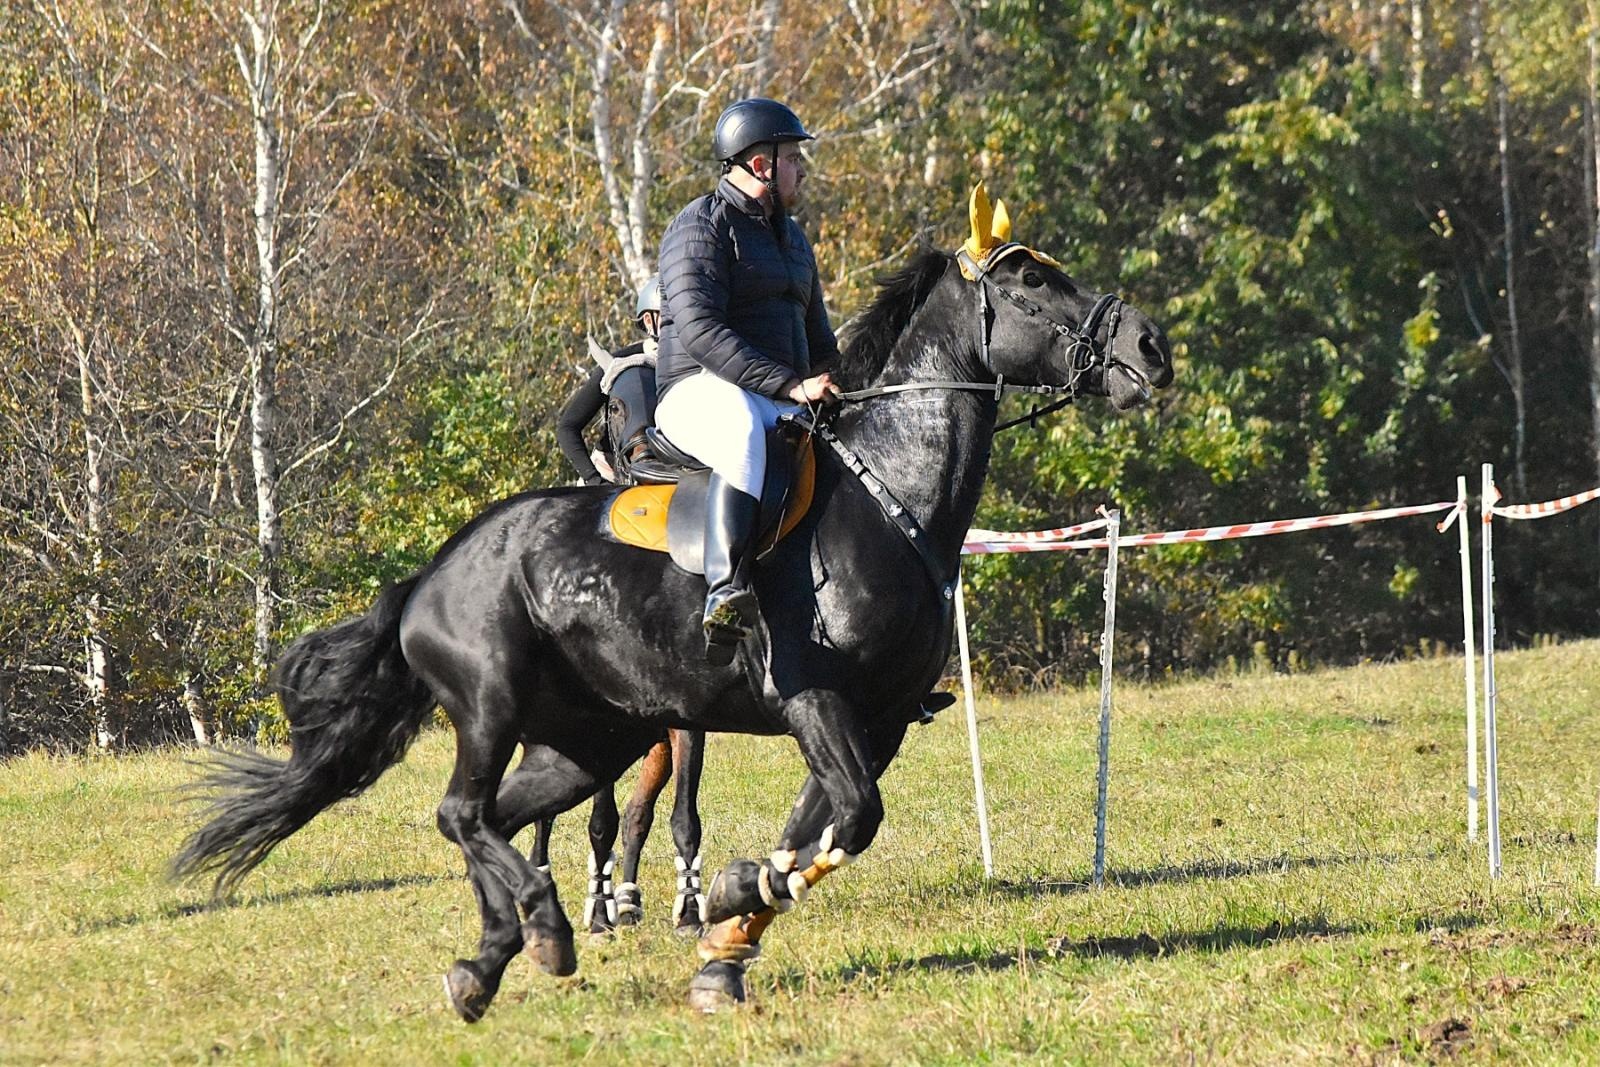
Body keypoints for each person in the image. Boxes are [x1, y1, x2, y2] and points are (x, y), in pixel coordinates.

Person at [653, 98, 844, 664]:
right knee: (739, 423)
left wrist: (839, 385)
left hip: (778, 394)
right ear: (762, 165)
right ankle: (724, 594)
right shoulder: (699, 225)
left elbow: (819, 342)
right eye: (794, 158)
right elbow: (700, 330)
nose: (802, 170)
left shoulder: (794, 239)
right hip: (696, 391)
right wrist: (790, 386)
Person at [556, 276, 662, 485]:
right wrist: (593, 480)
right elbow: (567, 427)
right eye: (669, 316)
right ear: (649, 321)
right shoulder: (619, 363)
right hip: (610, 473)